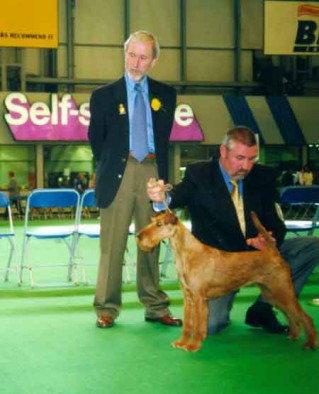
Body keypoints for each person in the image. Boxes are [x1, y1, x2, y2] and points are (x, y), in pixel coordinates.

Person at [147, 126, 319, 335]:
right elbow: (177, 196)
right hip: (219, 266)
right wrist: (161, 198)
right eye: (239, 158)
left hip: (259, 257)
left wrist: (269, 239)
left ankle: (264, 306)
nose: (246, 166)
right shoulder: (199, 173)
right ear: (223, 151)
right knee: (211, 325)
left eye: (251, 159)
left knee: (312, 246)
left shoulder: (263, 176)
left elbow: (275, 221)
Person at [88, 30, 181, 328]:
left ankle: (155, 305)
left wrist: (161, 177)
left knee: (152, 242)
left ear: (154, 61)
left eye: (143, 57)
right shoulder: (103, 96)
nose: (135, 62)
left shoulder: (167, 94)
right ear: (124, 53)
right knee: (112, 246)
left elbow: (165, 139)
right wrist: (117, 163)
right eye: (131, 54)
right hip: (120, 171)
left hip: (153, 174)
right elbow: (96, 141)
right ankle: (106, 308)